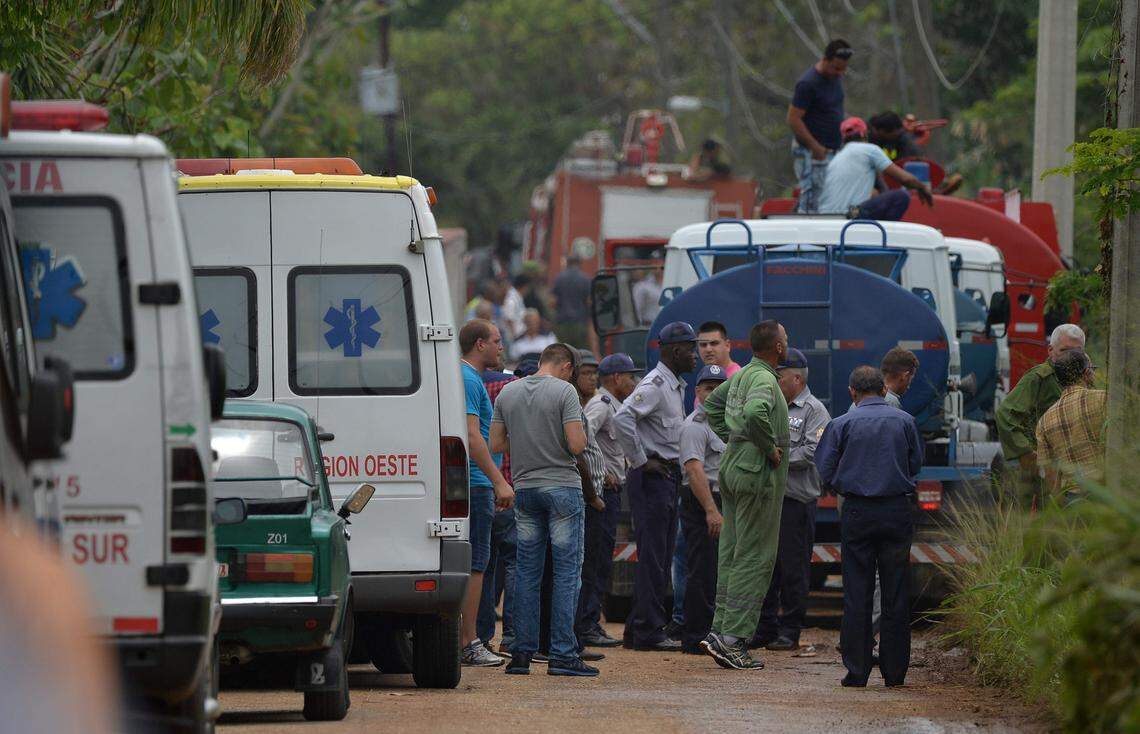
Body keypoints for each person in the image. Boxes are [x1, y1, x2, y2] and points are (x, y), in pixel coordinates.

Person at [490, 343, 598, 677]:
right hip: (562, 487)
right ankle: (563, 654)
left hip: (525, 488)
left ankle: (522, 653)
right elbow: (577, 445)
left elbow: (496, 444)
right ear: (566, 366)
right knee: (566, 573)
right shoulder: (565, 392)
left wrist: (527, 442)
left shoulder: (508, 393)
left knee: (527, 571)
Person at [815, 366, 923, 688]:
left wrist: (844, 483)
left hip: (858, 511)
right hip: (896, 510)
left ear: (852, 392)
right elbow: (915, 463)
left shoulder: (841, 424)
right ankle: (895, 672)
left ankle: (857, 670)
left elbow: (824, 469)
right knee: (895, 591)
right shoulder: (905, 421)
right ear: (883, 389)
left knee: (857, 592)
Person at [700, 320, 790, 671]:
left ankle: (719, 631)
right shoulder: (764, 379)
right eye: (785, 339)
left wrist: (734, 439)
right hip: (756, 475)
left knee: (732, 553)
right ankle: (733, 640)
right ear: (778, 347)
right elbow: (754, 413)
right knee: (755, 556)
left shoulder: (740, 375)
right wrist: (766, 448)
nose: (787, 343)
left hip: (734, 469)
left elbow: (712, 405)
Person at [612, 322, 698, 651]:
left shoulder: (674, 386)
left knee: (659, 555)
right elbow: (622, 418)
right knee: (654, 557)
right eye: (690, 348)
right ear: (675, 351)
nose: (695, 355)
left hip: (666, 476)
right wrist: (640, 460)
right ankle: (648, 630)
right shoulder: (655, 385)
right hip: (653, 477)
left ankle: (638, 628)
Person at [754, 348, 830, 651]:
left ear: (796, 378)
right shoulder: (772, 406)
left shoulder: (815, 411)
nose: (774, 381)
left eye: (779, 376)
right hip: (769, 500)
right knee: (766, 566)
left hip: (796, 502)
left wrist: (774, 457)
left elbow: (812, 452)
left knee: (793, 567)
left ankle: (790, 629)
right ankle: (765, 627)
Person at [459, 319, 516, 667]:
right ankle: (469, 642)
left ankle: (469, 639)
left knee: (478, 564)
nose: (501, 347)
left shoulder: (470, 378)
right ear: (480, 344)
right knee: (476, 565)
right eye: (496, 340)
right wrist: (498, 480)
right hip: (478, 483)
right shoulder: (468, 379)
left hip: (480, 481)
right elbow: (471, 436)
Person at [576, 353, 641, 648]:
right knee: (595, 559)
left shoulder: (614, 405)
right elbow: (581, 441)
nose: (634, 382)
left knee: (602, 560)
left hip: (611, 493)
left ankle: (591, 621)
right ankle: (586, 624)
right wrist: (601, 474)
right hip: (601, 493)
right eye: (629, 376)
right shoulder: (601, 405)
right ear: (616, 378)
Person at [995, 323, 1086, 505]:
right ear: (1051, 350)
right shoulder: (1040, 378)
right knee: (1028, 517)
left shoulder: (1084, 379)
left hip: (1068, 468)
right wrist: (1026, 453)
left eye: (1076, 352)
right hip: (1037, 468)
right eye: (1064, 350)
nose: (1070, 357)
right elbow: (1006, 414)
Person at [677, 364, 728, 654]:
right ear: (698, 391)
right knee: (702, 570)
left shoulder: (726, 424)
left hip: (722, 501)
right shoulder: (695, 426)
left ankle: (713, 632)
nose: (714, 393)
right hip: (703, 502)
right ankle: (696, 636)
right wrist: (711, 510)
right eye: (709, 388)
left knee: (718, 571)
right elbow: (695, 471)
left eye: (719, 388)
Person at [477, 360, 519, 655]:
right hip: (508, 487)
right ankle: (512, 637)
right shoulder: (511, 388)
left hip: (481, 486)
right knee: (516, 562)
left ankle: (480, 637)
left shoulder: (467, 384)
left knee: (484, 567)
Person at [817, 117, 934, 221]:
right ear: (864, 134)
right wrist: (922, 187)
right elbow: (905, 179)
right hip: (850, 214)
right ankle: (883, 236)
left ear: (843, 138)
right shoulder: (869, 150)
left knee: (875, 195)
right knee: (901, 197)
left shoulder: (836, 158)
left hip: (827, 217)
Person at [787, 39, 853, 213]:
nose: (839, 73)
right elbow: (793, 119)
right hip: (811, 152)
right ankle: (803, 228)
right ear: (825, 59)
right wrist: (815, 147)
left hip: (832, 150)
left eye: (843, 69)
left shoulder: (835, 79)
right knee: (811, 196)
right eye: (836, 68)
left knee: (826, 197)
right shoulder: (808, 84)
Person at [1035, 350, 1106, 504]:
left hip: (1072, 499)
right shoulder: (1104, 399)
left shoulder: (1044, 422)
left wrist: (1061, 506)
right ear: (1086, 373)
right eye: (1092, 369)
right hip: (1106, 493)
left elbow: (1050, 474)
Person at [848, 347, 918, 413]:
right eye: (911, 379)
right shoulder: (891, 401)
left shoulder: (859, 400)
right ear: (905, 376)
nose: (908, 387)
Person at [551, 255, 592, 347]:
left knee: (563, 351)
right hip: (580, 323)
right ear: (580, 263)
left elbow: (553, 302)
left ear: (567, 263)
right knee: (579, 352)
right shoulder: (585, 279)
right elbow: (589, 301)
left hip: (562, 323)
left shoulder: (559, 278)